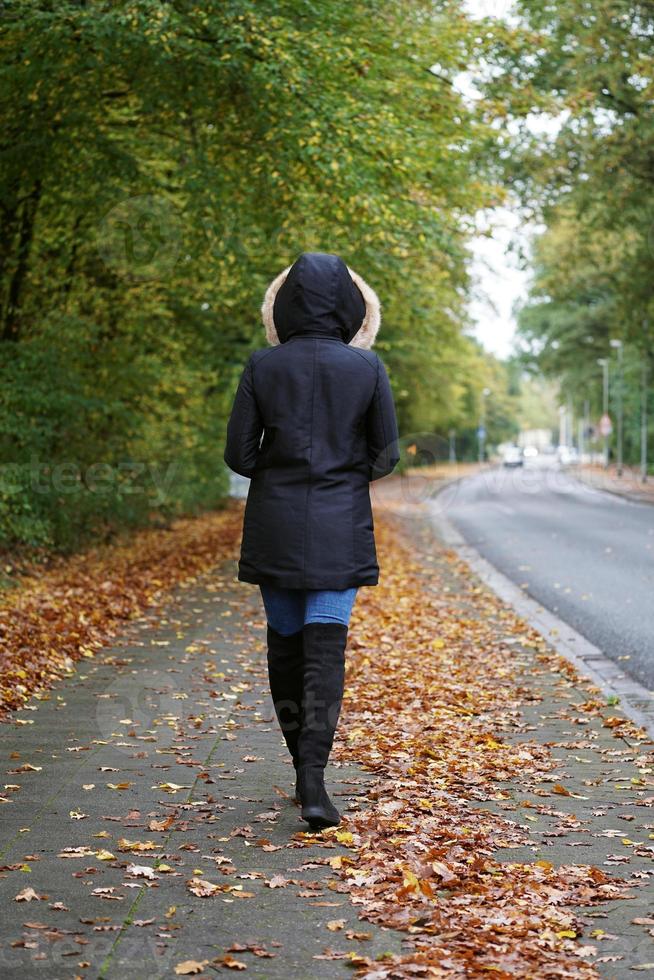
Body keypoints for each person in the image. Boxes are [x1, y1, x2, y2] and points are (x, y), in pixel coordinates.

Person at [224, 252, 400, 830]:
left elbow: (239, 455)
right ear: (351, 307)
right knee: (326, 651)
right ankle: (314, 783)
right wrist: (342, 476)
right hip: (340, 525)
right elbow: (386, 453)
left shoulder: (262, 365)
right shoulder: (367, 368)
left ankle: (301, 767)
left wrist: (281, 471)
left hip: (275, 523)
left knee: (286, 647)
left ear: (284, 304)